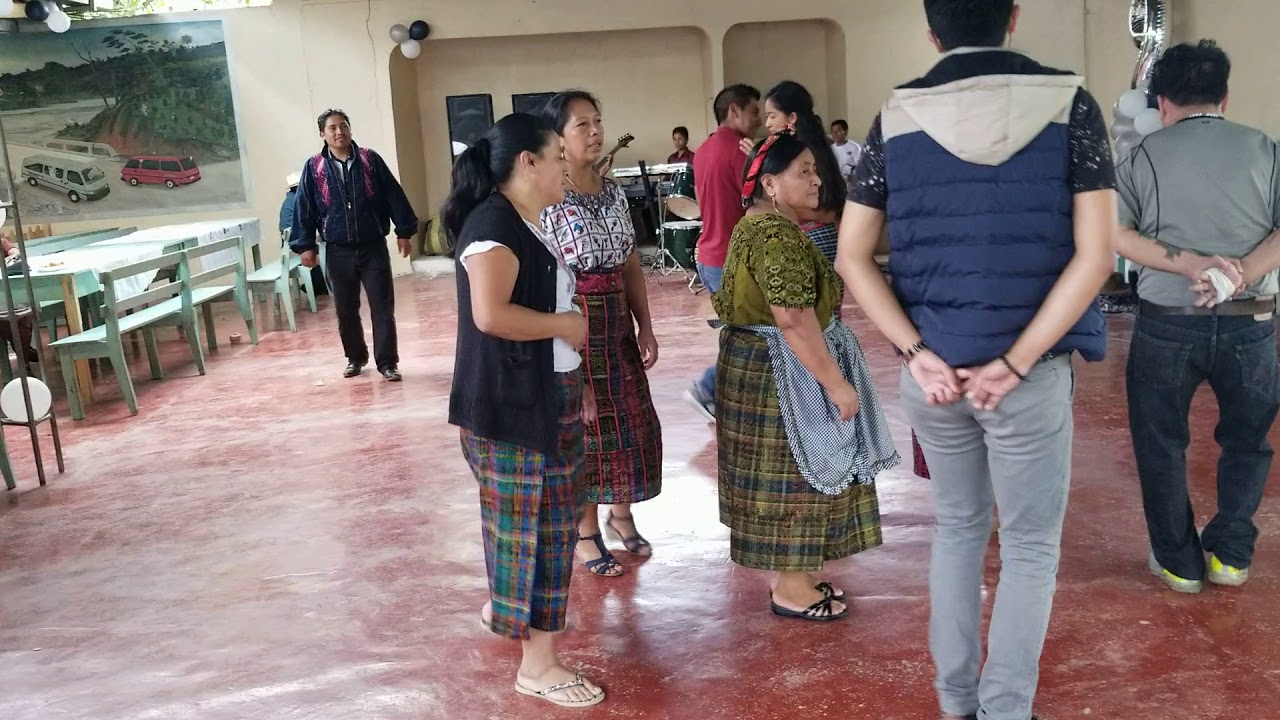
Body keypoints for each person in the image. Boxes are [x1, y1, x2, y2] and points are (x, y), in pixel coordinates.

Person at [836, 2, 1116, 719]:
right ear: (1013, 16)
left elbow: (851, 257)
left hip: (936, 379)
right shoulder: (1070, 105)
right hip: (1025, 376)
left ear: (933, 32)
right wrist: (1018, 362)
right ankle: (1006, 709)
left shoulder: (895, 117)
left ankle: (956, 702)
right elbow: (1096, 255)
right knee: (1027, 548)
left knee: (959, 531)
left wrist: (917, 353)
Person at [445, 112, 604, 709]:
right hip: (514, 411)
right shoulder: (494, 226)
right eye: (557, 155)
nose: (568, 166)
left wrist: (577, 378)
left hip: (541, 399)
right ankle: (537, 665)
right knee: (535, 533)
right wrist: (566, 326)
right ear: (527, 162)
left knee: (541, 528)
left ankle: (505, 613)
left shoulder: (525, 222)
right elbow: (491, 314)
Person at [1114, 40, 1280, 594]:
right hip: (1252, 322)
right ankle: (1231, 556)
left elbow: (1115, 233)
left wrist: (1188, 266)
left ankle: (1180, 562)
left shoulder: (1140, 157)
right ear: (1225, 97)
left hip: (1168, 321)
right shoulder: (1265, 149)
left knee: (1160, 442)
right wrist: (1241, 272)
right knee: (1248, 439)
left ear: (1161, 102)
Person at [715, 130, 898, 622]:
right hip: (780, 372)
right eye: (804, 172)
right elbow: (793, 317)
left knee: (782, 474)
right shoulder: (776, 236)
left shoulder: (757, 224)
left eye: (815, 169)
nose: (817, 180)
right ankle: (791, 588)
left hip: (759, 363)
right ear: (770, 184)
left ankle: (789, 576)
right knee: (796, 475)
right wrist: (837, 384)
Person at [540, 91, 663, 577]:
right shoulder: (550, 197)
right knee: (587, 431)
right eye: (581, 125)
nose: (594, 132)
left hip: (616, 324)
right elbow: (549, 280)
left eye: (598, 121)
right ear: (559, 140)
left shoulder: (611, 191)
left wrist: (645, 323)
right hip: (576, 322)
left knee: (631, 423)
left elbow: (630, 259)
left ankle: (621, 515)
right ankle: (586, 534)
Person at [290, 109, 418, 382]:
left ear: (350, 129)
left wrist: (404, 231)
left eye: (343, 126)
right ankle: (355, 358)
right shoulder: (314, 168)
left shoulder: (370, 160)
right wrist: (305, 246)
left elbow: (394, 195)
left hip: (373, 248)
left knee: (382, 307)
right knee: (345, 310)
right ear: (322, 134)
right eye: (332, 128)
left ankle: (387, 363)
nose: (339, 132)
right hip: (337, 251)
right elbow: (305, 207)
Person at [684, 84, 761, 422]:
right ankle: (707, 387)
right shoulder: (740, 152)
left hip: (709, 256)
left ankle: (725, 395)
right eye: (754, 111)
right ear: (734, 111)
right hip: (732, 259)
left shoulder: (702, 151)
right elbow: (761, 206)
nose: (758, 119)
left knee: (745, 332)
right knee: (754, 335)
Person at [763, 81, 847, 265]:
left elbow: (823, 209)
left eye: (772, 116)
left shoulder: (802, 152)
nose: (767, 123)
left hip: (812, 238)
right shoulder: (814, 146)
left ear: (792, 117)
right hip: (818, 235)